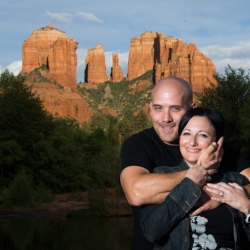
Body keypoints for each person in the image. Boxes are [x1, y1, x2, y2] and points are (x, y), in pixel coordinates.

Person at [120, 76, 250, 250]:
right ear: (150, 109)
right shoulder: (139, 144)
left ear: (192, 109)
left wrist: (223, 195)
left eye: (175, 108)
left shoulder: (219, 149)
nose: (166, 118)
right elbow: (136, 192)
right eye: (158, 108)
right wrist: (200, 173)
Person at [140, 107, 250, 249]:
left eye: (202, 135)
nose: (192, 142)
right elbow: (151, 231)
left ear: (218, 142)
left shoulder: (236, 181)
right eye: (186, 134)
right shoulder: (160, 176)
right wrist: (191, 182)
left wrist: (247, 208)